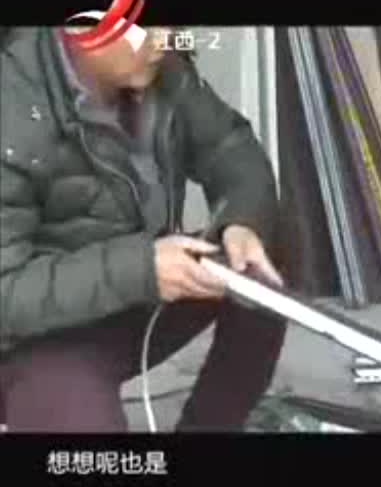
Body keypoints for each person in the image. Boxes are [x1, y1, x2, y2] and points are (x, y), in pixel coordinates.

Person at [0, 27, 287, 432]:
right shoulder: (12, 105)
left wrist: (241, 221)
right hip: (32, 338)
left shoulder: (163, 67)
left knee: (256, 264)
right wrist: (141, 268)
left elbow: (229, 146)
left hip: (132, 292)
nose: (164, 39)